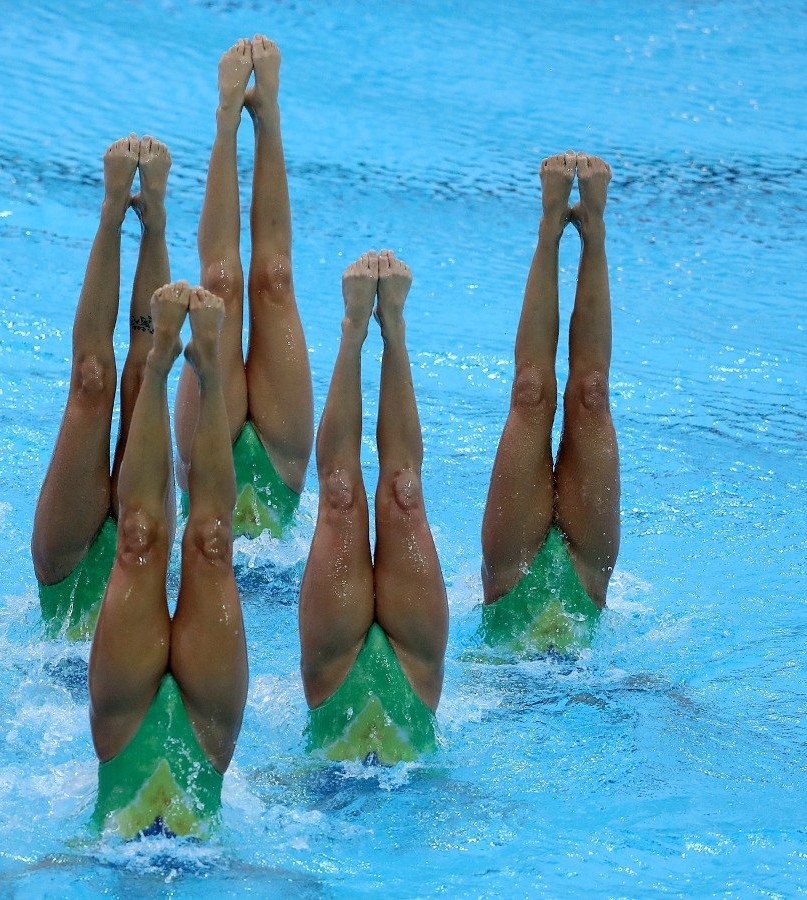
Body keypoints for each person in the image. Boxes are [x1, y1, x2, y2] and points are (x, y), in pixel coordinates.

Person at [89, 281, 246, 839]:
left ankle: (160, 364)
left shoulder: (99, 856)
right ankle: (204, 363)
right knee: (211, 545)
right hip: (204, 741)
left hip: (125, 731)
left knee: (138, 542)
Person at [298, 251, 448, 765]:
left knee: (400, 493)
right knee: (346, 496)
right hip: (363, 677)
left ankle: (384, 325)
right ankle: (361, 327)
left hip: (391, 676)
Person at [32, 135, 173, 639]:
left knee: (138, 374)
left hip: (99, 570)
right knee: (97, 381)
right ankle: (120, 213)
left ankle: (148, 219)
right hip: (73, 580)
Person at [479, 153, 619, 655]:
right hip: (561, 581)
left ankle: (562, 226)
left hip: (525, 577)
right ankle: (577, 226)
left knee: (586, 395)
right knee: (542, 393)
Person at [176, 35, 312, 539]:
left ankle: (244, 118)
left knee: (240, 283)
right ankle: (243, 117)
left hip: (213, 475)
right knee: (233, 282)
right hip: (279, 470)